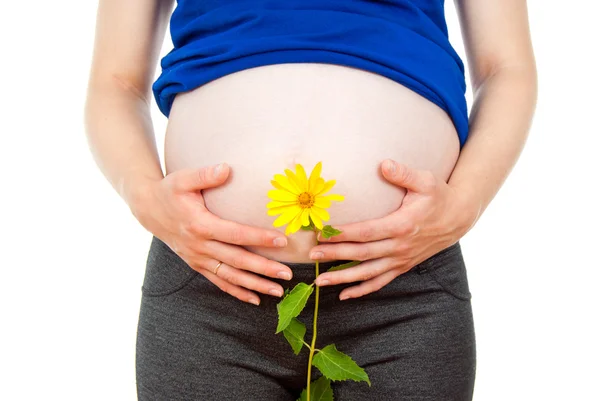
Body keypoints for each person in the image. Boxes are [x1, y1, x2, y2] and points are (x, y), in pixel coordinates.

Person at [84, 0, 537, 399]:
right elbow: (116, 82)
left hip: (402, 287)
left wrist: (466, 203)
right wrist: (143, 195)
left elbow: (506, 68)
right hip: (210, 282)